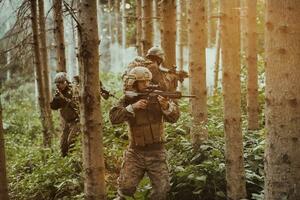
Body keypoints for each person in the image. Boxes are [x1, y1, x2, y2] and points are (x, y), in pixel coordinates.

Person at [109, 66, 180, 200]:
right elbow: (113, 118)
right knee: (125, 189)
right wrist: (132, 107)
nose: (146, 84)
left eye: (148, 81)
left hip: (157, 152)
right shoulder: (127, 99)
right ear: (134, 83)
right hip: (135, 152)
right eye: (142, 82)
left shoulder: (159, 96)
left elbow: (174, 118)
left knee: (162, 190)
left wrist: (166, 106)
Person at [50, 72, 80, 157]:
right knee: (63, 145)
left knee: (71, 141)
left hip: (77, 120)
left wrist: (63, 98)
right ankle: (66, 163)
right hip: (67, 122)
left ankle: (75, 161)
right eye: (57, 83)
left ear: (65, 82)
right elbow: (53, 107)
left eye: (60, 83)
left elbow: (74, 104)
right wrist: (56, 99)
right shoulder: (59, 93)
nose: (59, 85)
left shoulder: (73, 90)